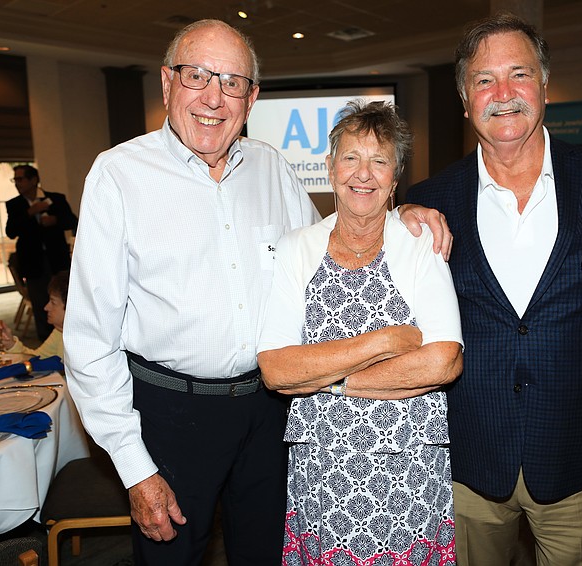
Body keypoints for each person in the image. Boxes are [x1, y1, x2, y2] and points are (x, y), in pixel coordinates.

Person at [63, 19, 451, 566]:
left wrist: (398, 214)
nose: (213, 98)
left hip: (271, 412)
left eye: (232, 82)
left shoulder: (271, 166)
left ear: (252, 97)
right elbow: (87, 340)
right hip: (172, 418)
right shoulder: (119, 175)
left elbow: (329, 245)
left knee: (267, 554)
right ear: (167, 82)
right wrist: (135, 468)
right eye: (197, 76)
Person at [406, 12, 582, 566]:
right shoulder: (428, 202)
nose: (503, 93)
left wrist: (574, 363)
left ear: (544, 84)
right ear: (465, 101)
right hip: (468, 458)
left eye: (519, 74)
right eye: (483, 80)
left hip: (578, 450)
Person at [257, 100, 463, 565]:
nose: (363, 173)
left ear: (395, 177)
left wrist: (328, 380)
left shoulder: (418, 244)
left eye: (379, 160)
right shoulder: (297, 248)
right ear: (330, 168)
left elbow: (443, 360)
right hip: (324, 470)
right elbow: (275, 369)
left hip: (406, 468)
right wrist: (385, 341)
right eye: (350, 157)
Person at [5, 165, 77, 341]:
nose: (17, 183)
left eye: (21, 179)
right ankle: (46, 341)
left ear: (34, 180)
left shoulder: (56, 199)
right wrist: (31, 212)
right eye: (15, 179)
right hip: (33, 262)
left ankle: (72, 336)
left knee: (67, 299)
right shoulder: (15, 205)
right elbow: (11, 231)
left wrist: (55, 220)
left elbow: (72, 221)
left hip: (57, 259)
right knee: (40, 304)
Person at [0, 270, 69, 359]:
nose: (46, 307)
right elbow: (37, 358)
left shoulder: (85, 342)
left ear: (70, 308)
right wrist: (10, 343)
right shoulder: (59, 332)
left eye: (53, 302)